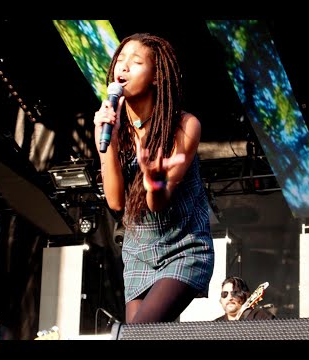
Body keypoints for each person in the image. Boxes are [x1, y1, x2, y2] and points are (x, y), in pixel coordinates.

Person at [94, 33, 214, 324]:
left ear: (157, 77)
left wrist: (155, 182)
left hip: (183, 247)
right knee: (145, 334)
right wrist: (106, 141)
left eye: (135, 62)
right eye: (120, 60)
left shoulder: (184, 125)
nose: (122, 67)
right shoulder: (112, 128)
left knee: (138, 332)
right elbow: (115, 201)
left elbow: (158, 204)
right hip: (139, 252)